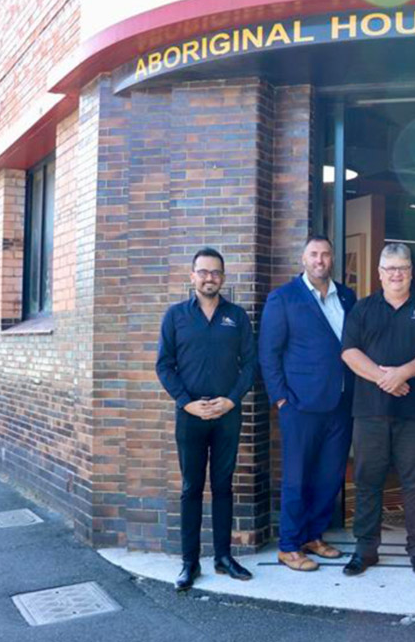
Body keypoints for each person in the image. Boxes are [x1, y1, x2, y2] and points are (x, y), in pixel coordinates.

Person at [340, 243, 415, 577]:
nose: (396, 274)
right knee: (367, 481)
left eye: (402, 268)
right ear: (379, 273)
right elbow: (349, 352)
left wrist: (403, 373)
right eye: (390, 269)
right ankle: (365, 550)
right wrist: (385, 378)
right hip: (369, 411)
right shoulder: (362, 309)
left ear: (411, 272)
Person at [155, 247, 257, 592]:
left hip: (227, 415)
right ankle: (190, 562)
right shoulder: (175, 316)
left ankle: (224, 557)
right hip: (191, 416)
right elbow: (164, 365)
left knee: (224, 486)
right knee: (191, 488)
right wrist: (186, 403)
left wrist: (231, 400)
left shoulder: (237, 317)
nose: (209, 277)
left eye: (215, 272)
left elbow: (251, 365)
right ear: (192, 276)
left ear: (223, 278)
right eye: (203, 271)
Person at [259, 235, 356, 572]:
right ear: (303, 259)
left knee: (330, 475)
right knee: (297, 477)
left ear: (332, 259)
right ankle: (288, 545)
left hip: (341, 402)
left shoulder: (347, 296)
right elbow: (268, 353)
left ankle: (314, 535)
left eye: (326, 254)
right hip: (300, 405)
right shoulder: (283, 298)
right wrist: (282, 399)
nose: (320, 260)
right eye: (314, 254)